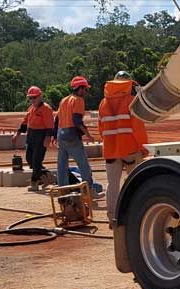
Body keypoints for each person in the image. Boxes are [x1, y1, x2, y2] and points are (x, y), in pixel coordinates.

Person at [98, 71, 149, 224]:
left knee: (112, 184)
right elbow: (137, 127)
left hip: (111, 151)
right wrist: (143, 146)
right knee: (136, 182)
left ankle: (113, 218)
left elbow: (101, 130)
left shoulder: (103, 103)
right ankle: (136, 215)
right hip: (130, 149)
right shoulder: (131, 101)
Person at [54, 76, 103, 194]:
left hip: (61, 134)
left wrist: (54, 135)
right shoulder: (78, 101)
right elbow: (77, 121)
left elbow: (56, 119)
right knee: (83, 164)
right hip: (71, 136)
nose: (85, 92)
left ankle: (62, 190)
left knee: (62, 166)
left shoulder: (64, 100)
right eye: (85, 89)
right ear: (80, 89)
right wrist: (88, 135)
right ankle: (89, 189)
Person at [12, 86, 55, 190]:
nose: (32, 100)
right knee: (29, 159)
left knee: (36, 160)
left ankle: (34, 183)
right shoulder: (31, 109)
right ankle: (46, 175)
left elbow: (50, 125)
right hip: (31, 136)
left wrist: (47, 138)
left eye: (34, 97)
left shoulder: (46, 109)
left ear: (40, 96)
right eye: (30, 98)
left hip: (41, 136)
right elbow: (24, 122)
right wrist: (17, 134)